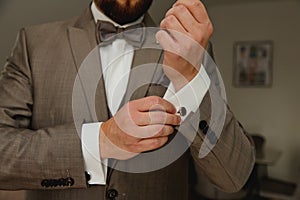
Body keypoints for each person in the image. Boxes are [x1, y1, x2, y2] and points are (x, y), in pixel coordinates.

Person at [0, 0, 255, 199]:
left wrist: (188, 77)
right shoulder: (34, 43)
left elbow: (234, 175)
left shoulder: (190, 47)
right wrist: (102, 140)